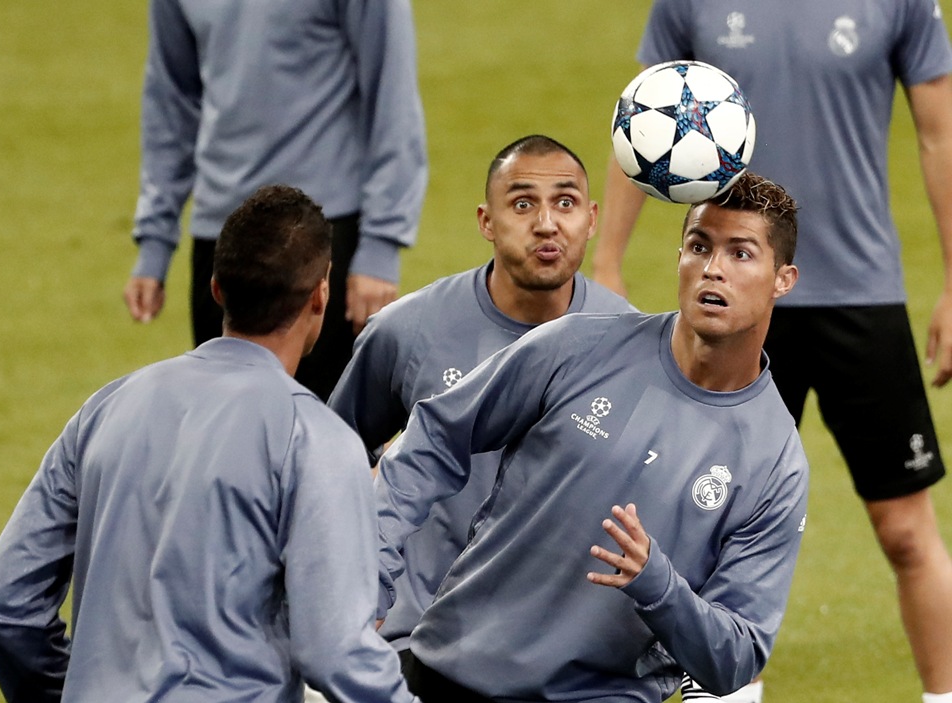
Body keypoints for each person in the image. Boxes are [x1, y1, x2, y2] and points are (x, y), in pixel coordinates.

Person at [593, 3, 952, 701]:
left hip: (861, 295)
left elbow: (939, 135)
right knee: (709, 526)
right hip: (737, 300)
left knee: (908, 531)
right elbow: (648, 121)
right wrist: (607, 260)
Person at [373, 172, 808, 702]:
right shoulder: (579, 346)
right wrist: (372, 568)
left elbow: (735, 658)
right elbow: (434, 439)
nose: (712, 269)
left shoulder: (775, 460)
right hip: (451, 677)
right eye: (699, 246)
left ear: (782, 279)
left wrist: (658, 585)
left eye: (740, 254)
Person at [0, 185, 417, 703]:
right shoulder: (315, 438)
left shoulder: (107, 407)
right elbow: (336, 651)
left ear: (216, 289)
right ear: (320, 295)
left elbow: (4, 605)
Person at [327, 134, 634, 660]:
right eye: (522, 204)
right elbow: (334, 456)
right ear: (486, 221)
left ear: (591, 219)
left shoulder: (630, 344)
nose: (546, 223)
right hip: (417, 642)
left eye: (565, 202)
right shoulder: (409, 330)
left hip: (556, 658)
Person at [123, 0, 427, 401]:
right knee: (227, 427)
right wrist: (155, 239)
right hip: (221, 238)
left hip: (321, 232)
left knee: (330, 434)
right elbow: (170, 99)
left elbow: (392, 91)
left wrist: (381, 243)